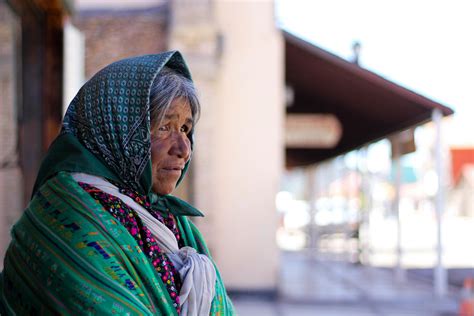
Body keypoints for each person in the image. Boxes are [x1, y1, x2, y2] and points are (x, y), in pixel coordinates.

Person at [0, 52, 235, 315]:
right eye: (164, 127)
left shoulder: (165, 218)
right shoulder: (69, 220)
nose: (183, 149)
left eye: (185, 129)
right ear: (117, 127)